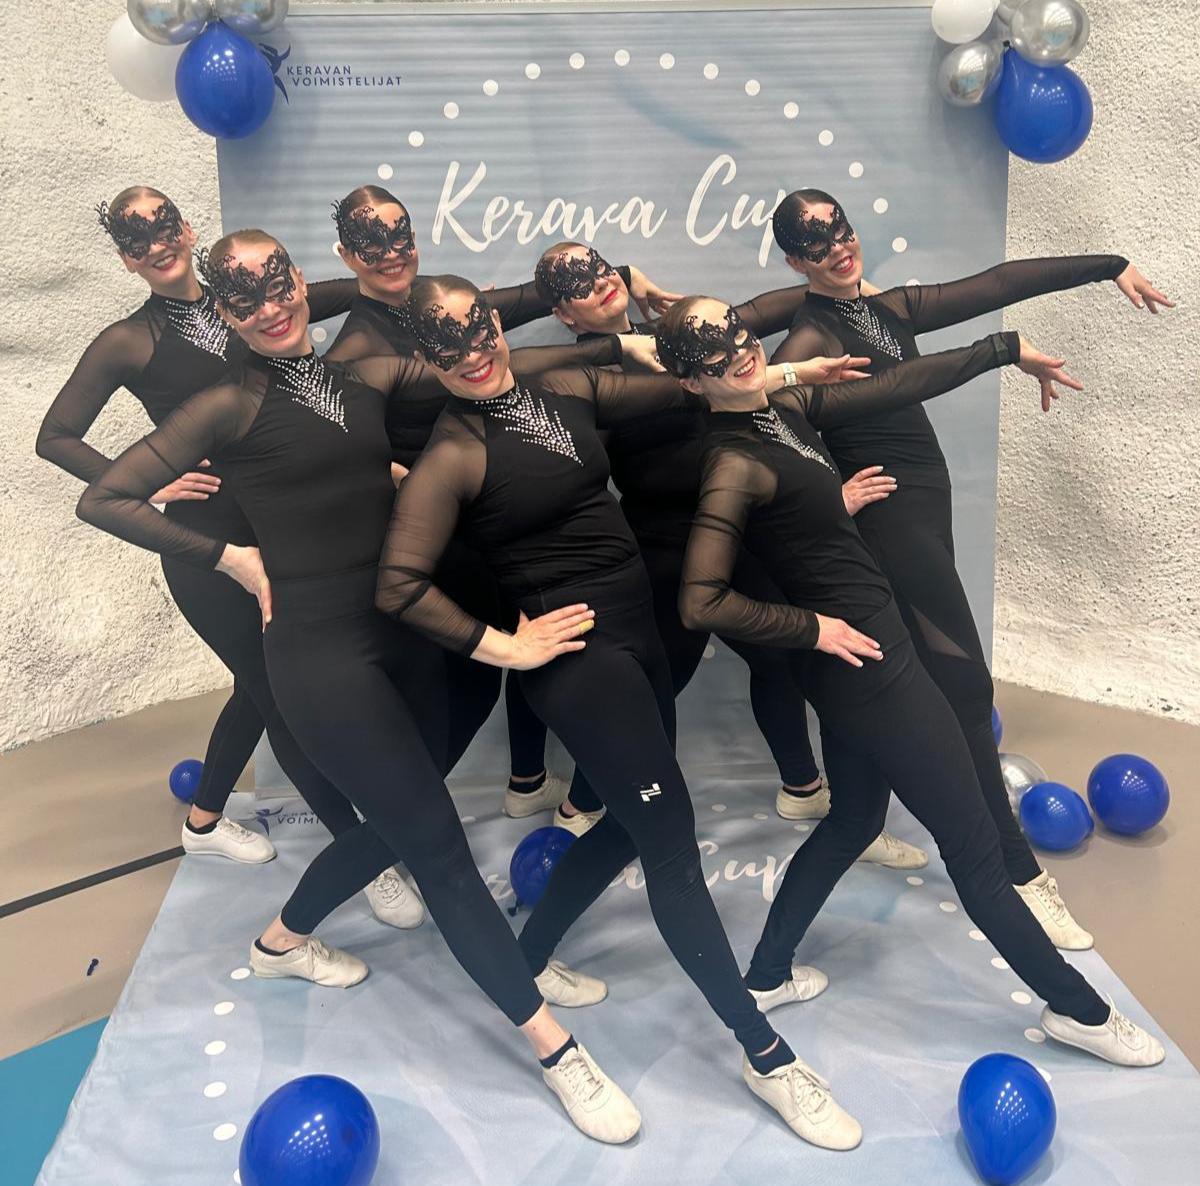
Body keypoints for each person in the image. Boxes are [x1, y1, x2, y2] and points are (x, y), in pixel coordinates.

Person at [75, 229, 646, 1143]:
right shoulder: (223, 405)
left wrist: (627, 344)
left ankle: (279, 941)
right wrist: (230, 556)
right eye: (246, 297)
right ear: (225, 311)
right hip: (319, 656)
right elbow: (102, 497)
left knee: (398, 827)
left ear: (302, 281)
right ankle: (554, 1047)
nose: (271, 307)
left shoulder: (364, 377)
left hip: (403, 638)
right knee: (439, 848)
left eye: (280, 284)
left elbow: (493, 365)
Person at [375, 273, 879, 1150]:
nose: (473, 352)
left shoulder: (560, 383)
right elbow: (399, 585)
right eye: (447, 344)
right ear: (426, 356)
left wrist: (793, 374)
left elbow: (692, 388)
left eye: (479, 328)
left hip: (640, 637)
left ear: (494, 320)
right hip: (582, 666)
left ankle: (528, 958)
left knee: (622, 827)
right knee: (671, 847)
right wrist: (505, 647)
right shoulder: (452, 453)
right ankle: (766, 1056)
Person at [652, 298, 1164, 1112]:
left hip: (867, 656)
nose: (738, 353)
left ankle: (769, 972)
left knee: (855, 820)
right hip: (867, 669)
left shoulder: (780, 408)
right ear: (689, 380)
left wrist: (1001, 349)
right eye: (711, 354)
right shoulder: (732, 462)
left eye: (740, 335)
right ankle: (1080, 1011)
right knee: (975, 848)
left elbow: (896, 385)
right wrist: (811, 627)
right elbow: (701, 601)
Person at [770, 189, 1173, 947]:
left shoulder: (885, 309)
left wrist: (1108, 264)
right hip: (891, 520)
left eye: (842, 232)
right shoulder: (807, 340)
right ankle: (1018, 873)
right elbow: (759, 430)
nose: (839, 250)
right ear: (796, 262)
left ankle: (857, 818)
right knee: (963, 687)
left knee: (894, 673)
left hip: (928, 507)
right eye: (817, 247)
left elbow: (997, 283)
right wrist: (829, 496)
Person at [34, 188, 426, 925]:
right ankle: (361, 856)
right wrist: (149, 483)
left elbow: (375, 287)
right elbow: (53, 436)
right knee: (280, 698)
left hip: (278, 532)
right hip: (208, 550)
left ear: (186, 228)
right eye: (136, 239)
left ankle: (204, 819)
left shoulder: (253, 303)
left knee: (261, 685)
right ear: (125, 258)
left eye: (164, 226)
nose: (156, 244)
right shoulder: (129, 340)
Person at [525, 240, 925, 867]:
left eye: (602, 268)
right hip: (668, 553)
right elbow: (677, 406)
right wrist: (792, 374)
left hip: (744, 535)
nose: (599, 282)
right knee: (653, 686)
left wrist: (819, 492)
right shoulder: (580, 381)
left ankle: (808, 791)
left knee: (788, 659)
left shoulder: (674, 338)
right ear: (562, 314)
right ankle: (583, 804)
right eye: (577, 284)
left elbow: (745, 384)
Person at [324, 185, 681, 822]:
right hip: (446, 529)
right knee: (468, 689)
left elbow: (531, 302)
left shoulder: (443, 300)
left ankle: (527, 781)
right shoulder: (356, 349)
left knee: (536, 642)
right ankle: (397, 834)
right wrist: (386, 472)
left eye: (399, 234)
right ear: (346, 255)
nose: (392, 252)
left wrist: (623, 289)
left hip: (507, 514)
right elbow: (320, 437)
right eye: (370, 244)